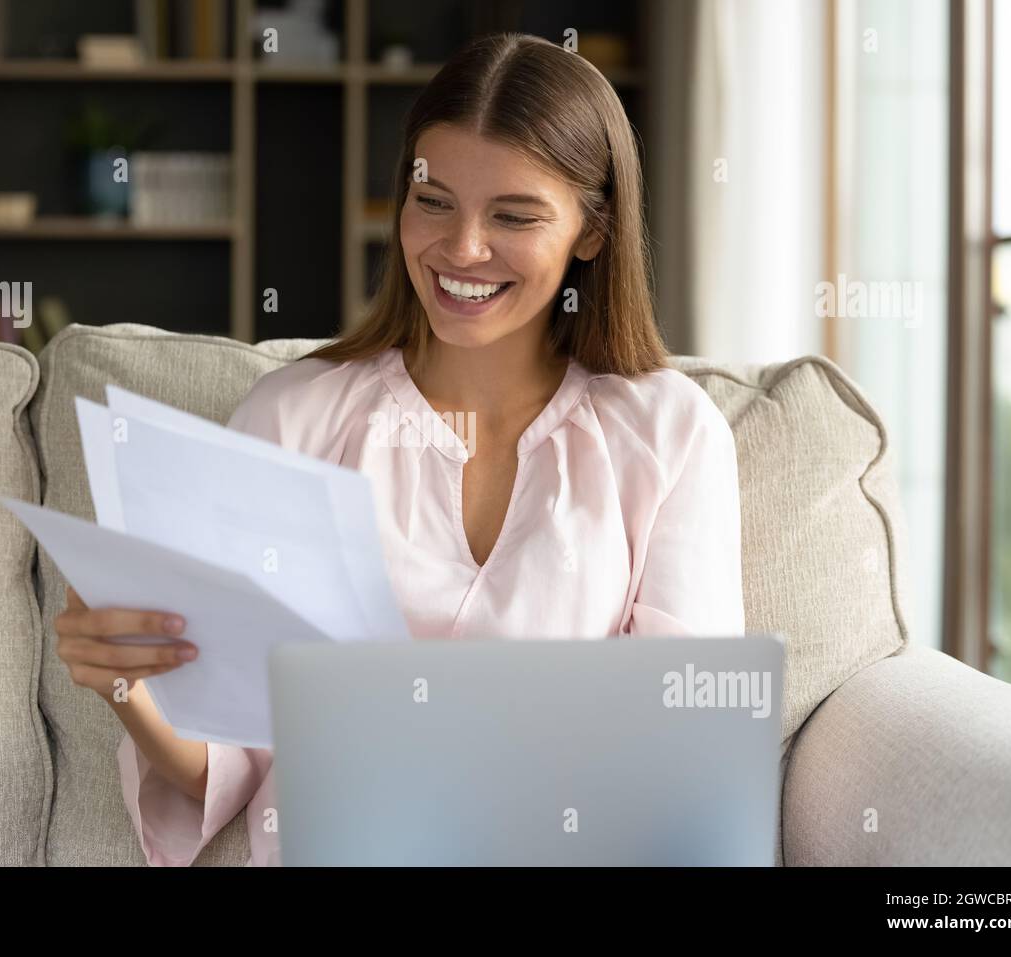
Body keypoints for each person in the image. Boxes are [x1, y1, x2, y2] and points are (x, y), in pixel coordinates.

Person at [54, 33, 744, 867]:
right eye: (434, 201)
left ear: (592, 231)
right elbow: (229, 757)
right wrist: (126, 682)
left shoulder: (669, 432)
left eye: (514, 215)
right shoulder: (295, 418)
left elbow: (683, 752)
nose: (462, 248)